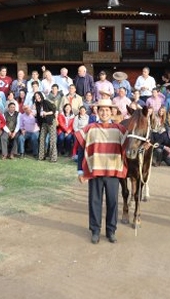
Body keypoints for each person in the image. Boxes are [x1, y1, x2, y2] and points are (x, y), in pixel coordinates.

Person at [74, 98, 129, 244]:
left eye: (107, 110)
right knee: (95, 201)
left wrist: (145, 146)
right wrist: (80, 170)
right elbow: (81, 150)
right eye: (101, 110)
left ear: (112, 112)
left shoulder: (120, 129)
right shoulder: (90, 128)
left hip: (113, 172)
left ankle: (111, 231)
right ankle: (95, 230)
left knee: (112, 202)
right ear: (97, 112)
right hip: (95, 171)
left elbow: (131, 146)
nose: (104, 113)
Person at [34, 91, 58, 162]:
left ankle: (53, 158)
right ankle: (41, 156)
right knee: (41, 139)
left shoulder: (46, 102)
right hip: (43, 123)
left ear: (41, 96)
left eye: (38, 96)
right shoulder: (37, 104)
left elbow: (54, 110)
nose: (37, 97)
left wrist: (46, 113)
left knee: (52, 140)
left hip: (51, 122)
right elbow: (38, 115)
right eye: (36, 96)